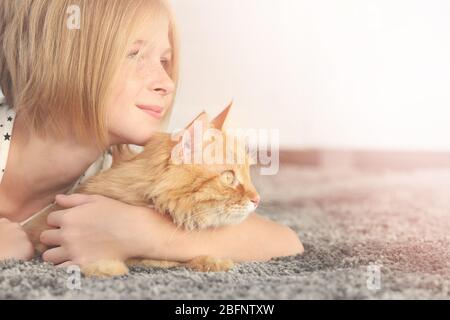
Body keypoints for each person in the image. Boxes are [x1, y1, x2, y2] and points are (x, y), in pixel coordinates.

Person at [0, 0, 303, 267]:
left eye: (164, 61)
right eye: (134, 54)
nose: (167, 83)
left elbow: (286, 242)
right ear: (59, 58)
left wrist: (142, 232)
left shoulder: (112, 171)